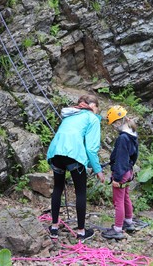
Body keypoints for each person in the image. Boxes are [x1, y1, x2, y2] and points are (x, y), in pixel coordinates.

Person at [47, 94, 105, 240]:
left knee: (58, 188)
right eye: (97, 108)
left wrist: (91, 164)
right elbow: (91, 149)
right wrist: (98, 170)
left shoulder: (70, 115)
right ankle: (81, 232)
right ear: (93, 106)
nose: (97, 111)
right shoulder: (92, 118)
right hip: (73, 155)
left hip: (56, 153)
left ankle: (54, 228)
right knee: (80, 192)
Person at [101, 105, 138, 240]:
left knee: (118, 201)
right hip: (127, 171)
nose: (114, 126)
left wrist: (116, 177)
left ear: (119, 121)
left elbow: (121, 158)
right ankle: (128, 222)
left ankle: (117, 229)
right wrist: (130, 167)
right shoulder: (132, 134)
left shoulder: (123, 138)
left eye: (114, 123)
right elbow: (134, 155)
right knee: (126, 197)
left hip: (121, 172)